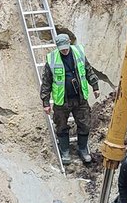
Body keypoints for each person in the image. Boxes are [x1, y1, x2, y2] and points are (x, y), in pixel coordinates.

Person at [40, 33, 100, 164]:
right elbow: (46, 83)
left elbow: (88, 70)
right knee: (61, 125)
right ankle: (65, 151)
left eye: (66, 48)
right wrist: (45, 102)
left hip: (80, 98)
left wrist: (95, 86)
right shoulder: (52, 59)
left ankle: (83, 149)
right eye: (62, 49)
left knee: (84, 124)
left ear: (69, 44)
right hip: (62, 100)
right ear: (58, 48)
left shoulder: (78, 53)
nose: (65, 51)